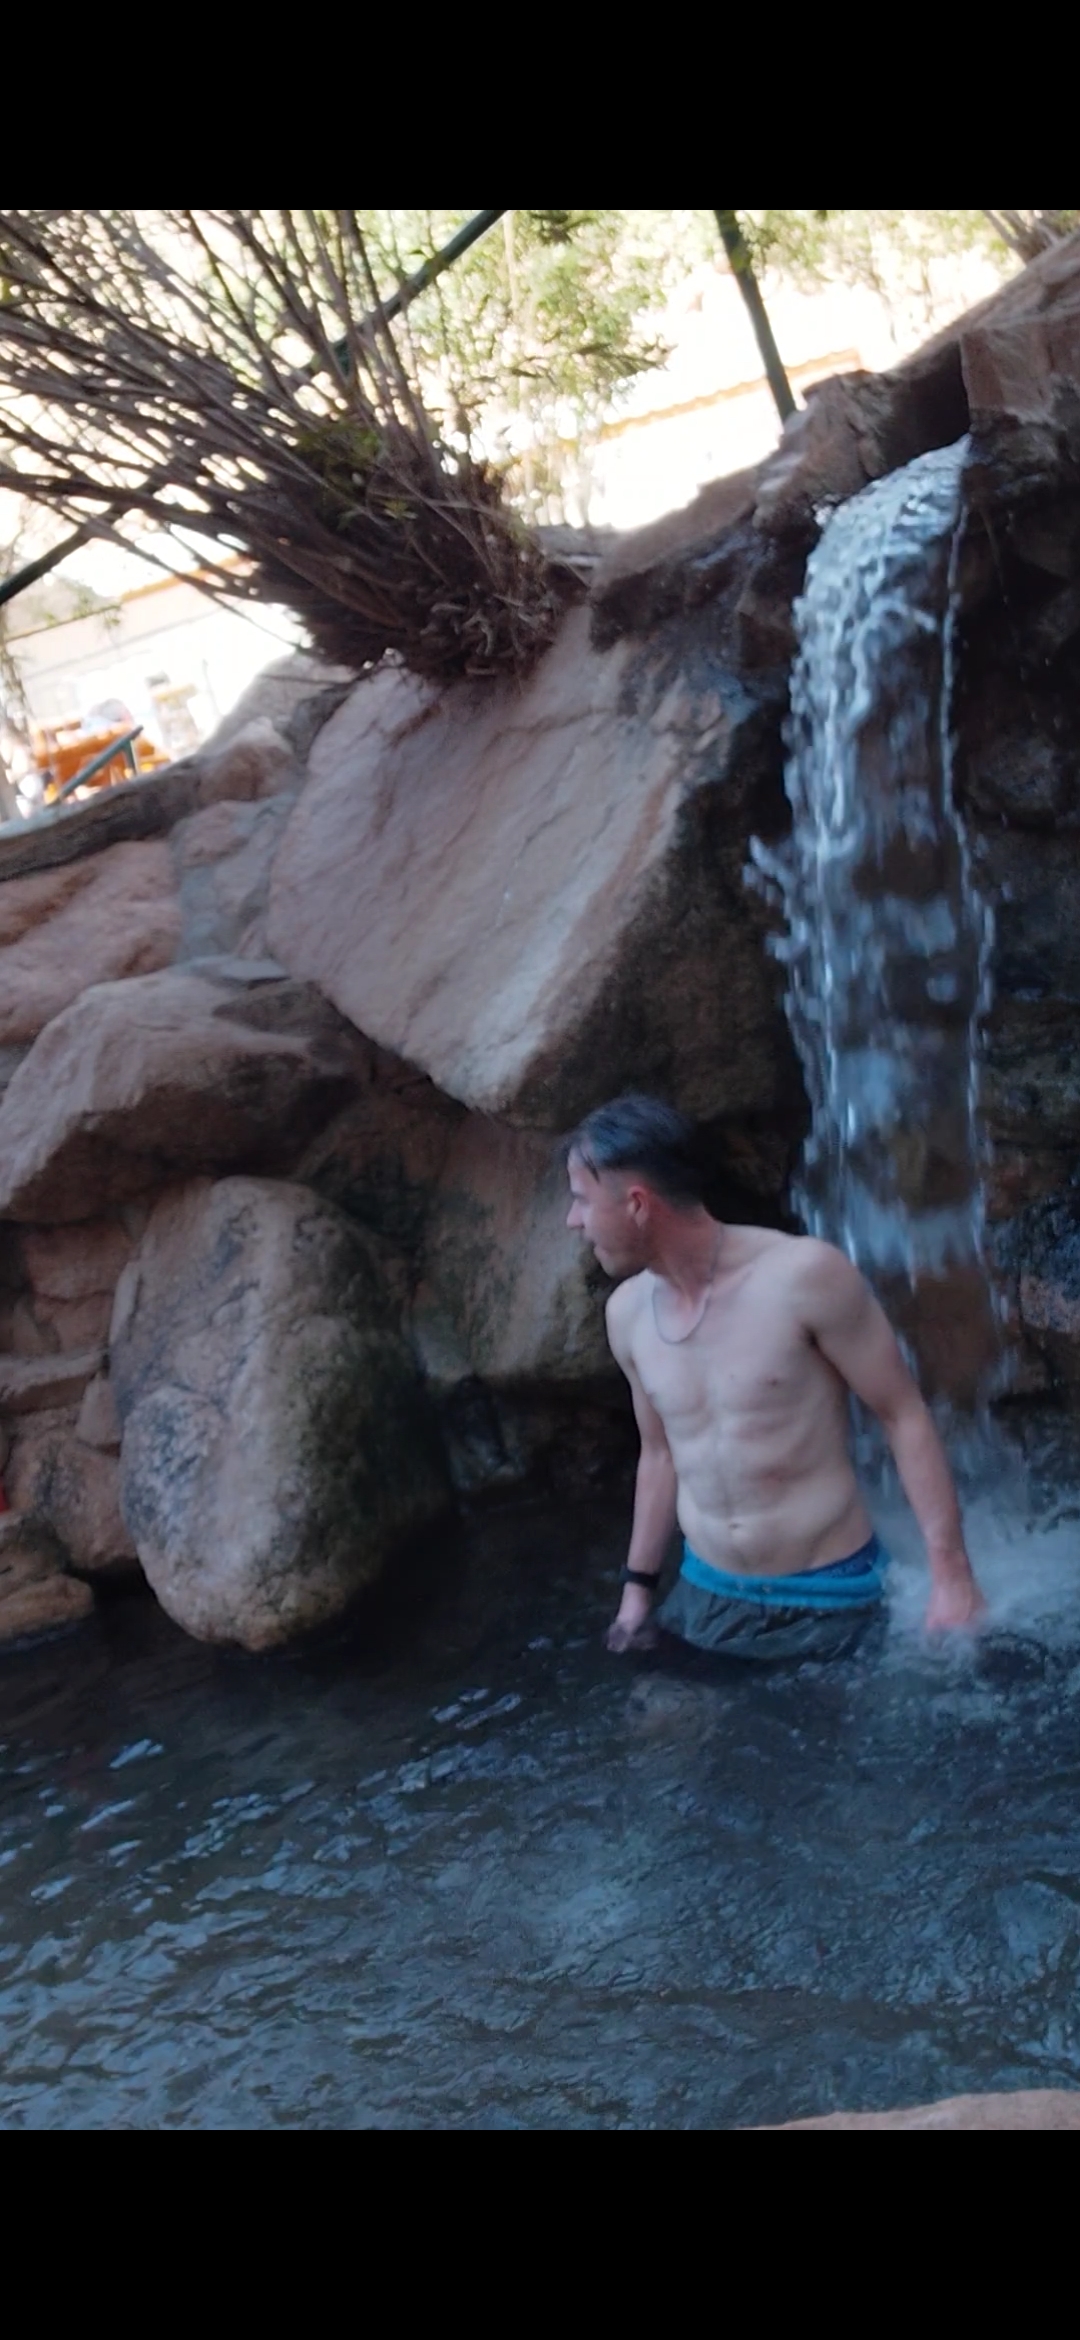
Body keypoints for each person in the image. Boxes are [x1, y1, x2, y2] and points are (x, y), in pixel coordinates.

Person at [564, 1094, 987, 1659]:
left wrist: (952, 1577)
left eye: (581, 1201)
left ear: (637, 1204)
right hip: (706, 1591)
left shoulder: (804, 1277)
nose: (573, 1221)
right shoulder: (627, 1314)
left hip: (832, 1595)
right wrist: (636, 1595)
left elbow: (902, 1414)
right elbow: (659, 1455)